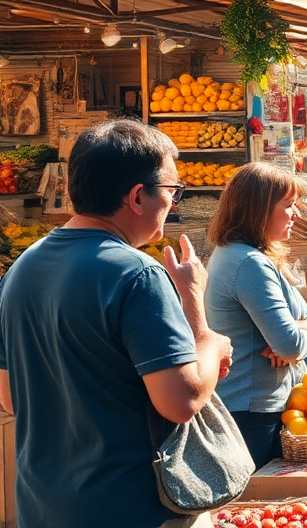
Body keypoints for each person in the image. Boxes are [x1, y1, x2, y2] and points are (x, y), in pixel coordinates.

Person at [0, 119, 232, 528]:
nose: (173, 204)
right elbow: (181, 402)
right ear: (137, 197)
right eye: (172, 191)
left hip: (43, 508)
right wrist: (206, 334)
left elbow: (11, 398)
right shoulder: (137, 275)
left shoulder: (20, 270)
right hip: (134, 507)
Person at [206, 162, 307, 469]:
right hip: (250, 411)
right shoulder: (249, 264)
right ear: (258, 210)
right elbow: (289, 345)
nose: (295, 214)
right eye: (288, 206)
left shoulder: (240, 254)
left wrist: (306, 327)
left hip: (250, 404)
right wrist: (304, 333)